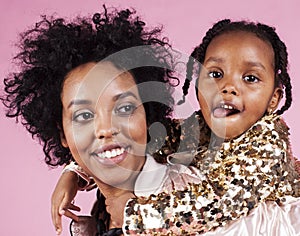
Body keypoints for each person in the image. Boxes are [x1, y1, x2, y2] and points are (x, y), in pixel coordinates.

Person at [51, 19, 300, 235]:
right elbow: (145, 137)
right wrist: (75, 171)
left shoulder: (267, 145)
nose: (228, 88)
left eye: (250, 78)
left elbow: (214, 204)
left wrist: (136, 215)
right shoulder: (200, 128)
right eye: (215, 74)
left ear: (274, 98)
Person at [1, 5, 185, 235]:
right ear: (62, 135)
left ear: (147, 115)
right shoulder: (103, 209)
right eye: (84, 115)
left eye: (125, 108)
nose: (106, 129)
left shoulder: (188, 199)